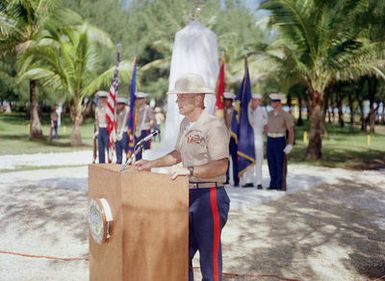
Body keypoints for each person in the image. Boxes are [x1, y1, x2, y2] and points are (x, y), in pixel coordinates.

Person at [134, 73, 230, 281]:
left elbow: (222, 165)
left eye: (181, 96)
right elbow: (178, 154)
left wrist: (191, 171)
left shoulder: (214, 126)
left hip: (209, 196)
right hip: (186, 196)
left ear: (197, 99)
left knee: (209, 259)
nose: (176, 100)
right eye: (177, 97)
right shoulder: (185, 125)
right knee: (179, 254)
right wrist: (151, 163)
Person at [265, 93, 294, 191]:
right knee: (271, 162)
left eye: (274, 102)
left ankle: (279, 184)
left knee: (279, 162)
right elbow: (265, 127)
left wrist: (290, 144)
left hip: (279, 140)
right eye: (272, 101)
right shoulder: (269, 114)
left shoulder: (286, 115)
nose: (272, 103)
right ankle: (273, 183)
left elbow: (291, 130)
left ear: (279, 103)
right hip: (270, 140)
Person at [242, 93, 267, 189]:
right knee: (249, 159)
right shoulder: (248, 111)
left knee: (259, 160)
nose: (254, 102)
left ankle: (259, 182)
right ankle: (249, 180)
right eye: (253, 100)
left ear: (259, 102)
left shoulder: (263, 111)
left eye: (256, 100)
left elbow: (266, 126)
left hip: (258, 137)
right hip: (249, 138)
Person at [223, 91, 239, 186]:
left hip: (234, 138)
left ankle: (236, 180)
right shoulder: (221, 111)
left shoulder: (236, 111)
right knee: (225, 159)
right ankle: (226, 178)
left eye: (228, 100)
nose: (226, 102)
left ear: (231, 101)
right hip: (224, 138)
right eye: (225, 100)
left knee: (235, 159)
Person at [134, 92, 156, 160]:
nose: (138, 100)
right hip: (136, 131)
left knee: (146, 148)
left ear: (144, 99)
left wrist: (150, 126)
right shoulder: (136, 109)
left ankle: (147, 163)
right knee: (137, 148)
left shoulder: (148, 108)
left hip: (145, 130)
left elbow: (152, 120)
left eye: (140, 98)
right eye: (137, 99)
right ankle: (137, 162)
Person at [95, 90, 109, 163]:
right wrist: (97, 130)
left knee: (108, 147)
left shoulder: (109, 109)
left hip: (107, 129)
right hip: (100, 128)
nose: (102, 100)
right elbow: (96, 120)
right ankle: (101, 163)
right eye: (101, 98)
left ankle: (110, 162)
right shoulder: (97, 109)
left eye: (104, 98)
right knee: (100, 148)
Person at [115, 97, 129, 164]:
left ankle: (128, 161)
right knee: (118, 149)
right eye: (117, 104)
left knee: (126, 148)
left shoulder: (127, 112)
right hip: (117, 133)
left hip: (125, 132)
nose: (118, 106)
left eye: (120, 104)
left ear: (123, 105)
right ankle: (118, 161)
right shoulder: (116, 113)